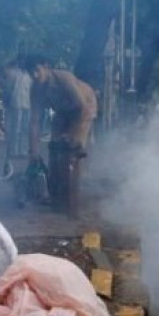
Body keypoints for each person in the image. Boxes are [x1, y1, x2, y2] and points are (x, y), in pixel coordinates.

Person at [26, 56, 98, 213]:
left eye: (37, 70)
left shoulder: (64, 78)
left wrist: (71, 135)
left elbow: (80, 106)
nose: (35, 75)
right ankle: (56, 196)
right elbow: (35, 121)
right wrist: (33, 152)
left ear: (46, 66)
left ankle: (72, 200)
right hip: (62, 112)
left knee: (72, 150)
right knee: (54, 148)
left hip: (84, 107)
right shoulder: (36, 89)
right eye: (31, 72)